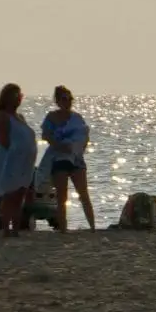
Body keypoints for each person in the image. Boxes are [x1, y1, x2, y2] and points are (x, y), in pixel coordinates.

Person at [41, 85, 96, 232]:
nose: (68, 102)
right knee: (62, 196)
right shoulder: (51, 117)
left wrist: (80, 148)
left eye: (70, 98)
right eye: (65, 99)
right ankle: (63, 229)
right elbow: (45, 135)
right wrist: (60, 146)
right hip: (59, 158)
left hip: (76, 159)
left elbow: (85, 135)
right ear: (58, 101)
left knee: (83, 194)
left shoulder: (77, 118)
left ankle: (93, 227)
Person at [0, 83, 37, 237]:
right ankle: (6, 229)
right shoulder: (3, 116)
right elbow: (3, 140)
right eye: (15, 96)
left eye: (20, 96)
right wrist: (18, 152)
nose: (19, 99)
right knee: (9, 195)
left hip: (24, 163)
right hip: (9, 162)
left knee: (20, 196)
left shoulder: (20, 117)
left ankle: (16, 230)